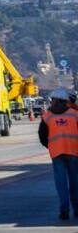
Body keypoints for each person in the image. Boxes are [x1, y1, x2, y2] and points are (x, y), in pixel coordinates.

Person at [39, 88, 78, 220]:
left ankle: (64, 210)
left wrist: (50, 146)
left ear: (54, 100)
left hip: (56, 153)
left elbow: (42, 135)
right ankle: (77, 209)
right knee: (75, 181)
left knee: (61, 183)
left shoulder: (48, 115)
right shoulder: (74, 114)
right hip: (74, 152)